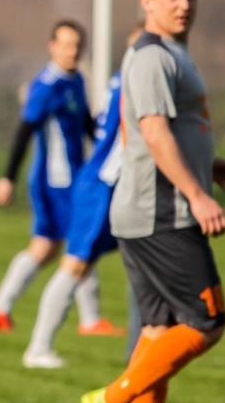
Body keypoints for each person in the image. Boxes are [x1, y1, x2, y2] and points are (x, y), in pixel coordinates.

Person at [78, 0, 225, 403]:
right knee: (207, 320)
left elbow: (164, 130)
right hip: (162, 213)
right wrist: (197, 194)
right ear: (147, 1)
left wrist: (205, 162)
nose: (184, 4)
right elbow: (150, 131)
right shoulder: (149, 57)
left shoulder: (171, 53)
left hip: (147, 211)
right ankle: (109, 400)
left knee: (157, 327)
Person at [0, 21, 122, 338]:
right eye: (66, 44)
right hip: (54, 181)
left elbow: (87, 125)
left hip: (75, 178)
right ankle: (89, 319)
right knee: (76, 242)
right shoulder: (46, 86)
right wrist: (7, 178)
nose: (72, 51)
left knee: (50, 248)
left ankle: (0, 307)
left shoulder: (75, 80)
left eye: (77, 45)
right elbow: (24, 131)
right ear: (52, 46)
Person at [20, 28, 142, 369]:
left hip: (113, 183)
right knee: (74, 262)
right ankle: (38, 347)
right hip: (102, 184)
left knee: (140, 259)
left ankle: (137, 350)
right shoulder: (132, 81)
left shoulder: (114, 79)